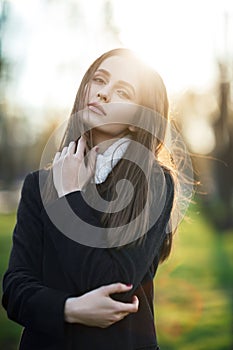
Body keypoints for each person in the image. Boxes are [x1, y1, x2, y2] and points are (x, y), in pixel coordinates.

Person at [2, 48, 177, 350]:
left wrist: (70, 196)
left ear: (138, 119)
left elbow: (114, 286)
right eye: (99, 80)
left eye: (123, 91)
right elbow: (15, 290)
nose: (104, 93)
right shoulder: (37, 186)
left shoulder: (152, 181)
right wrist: (69, 309)